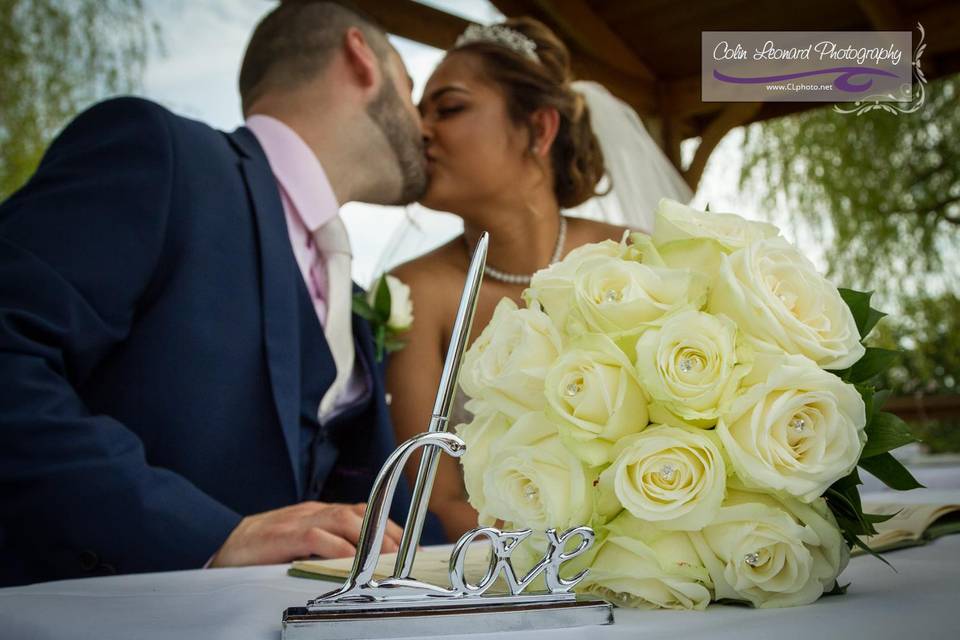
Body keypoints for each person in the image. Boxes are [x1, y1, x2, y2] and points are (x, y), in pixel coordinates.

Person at [0, 1, 443, 587]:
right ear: (362, 58)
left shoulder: (353, 297)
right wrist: (208, 533)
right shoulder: (160, 154)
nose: (425, 125)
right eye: (412, 92)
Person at [388, 18, 650, 542]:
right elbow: (439, 497)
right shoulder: (414, 291)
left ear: (539, 129)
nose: (420, 129)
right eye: (420, 112)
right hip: (498, 575)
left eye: (450, 108)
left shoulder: (636, 256)